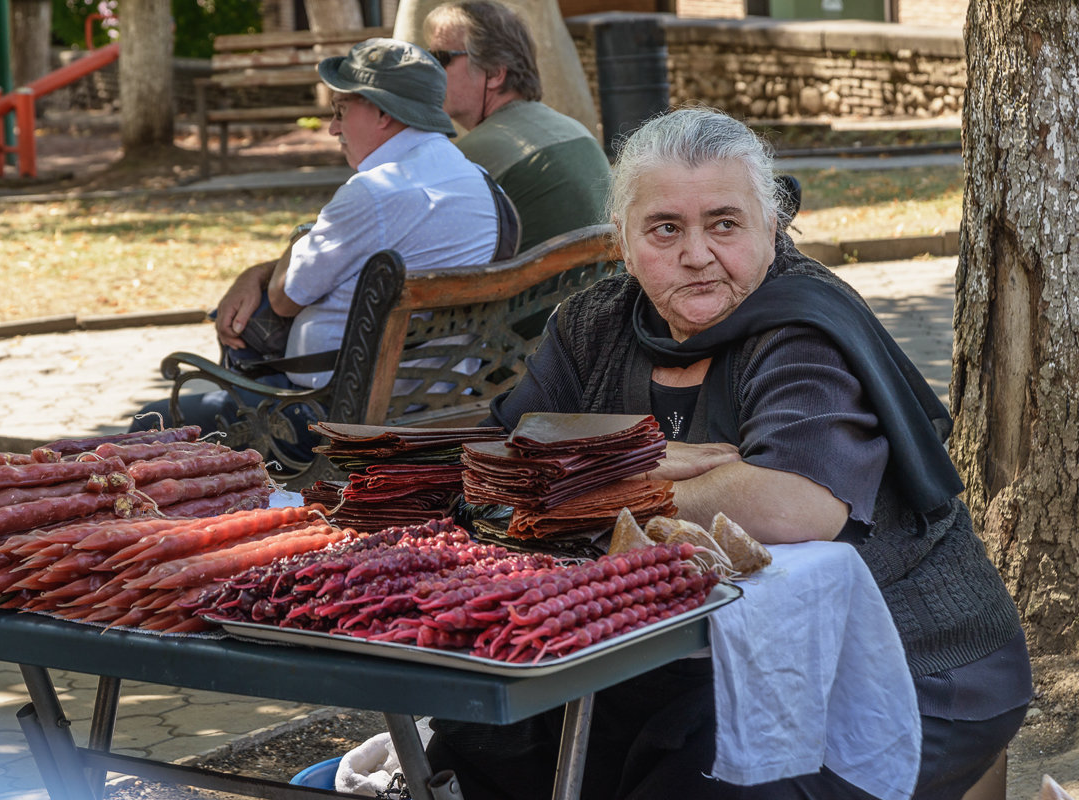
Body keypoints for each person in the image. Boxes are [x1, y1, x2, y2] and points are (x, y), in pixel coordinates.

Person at [425, 107, 1033, 799]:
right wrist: (627, 465)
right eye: (664, 229)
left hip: (898, 661)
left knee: (704, 782)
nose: (696, 253)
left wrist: (604, 474)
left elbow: (793, 504)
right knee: (482, 744)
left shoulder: (803, 324)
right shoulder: (594, 324)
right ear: (622, 242)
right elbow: (498, 464)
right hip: (679, 656)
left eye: (724, 223)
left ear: (770, 228)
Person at [132, 38, 510, 459]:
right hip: (443, 406)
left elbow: (284, 297)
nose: (333, 128)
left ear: (383, 112)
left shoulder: (375, 192)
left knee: (150, 421)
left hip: (336, 418)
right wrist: (258, 271)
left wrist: (299, 234)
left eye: (340, 110)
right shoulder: (477, 182)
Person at [423, 0, 611, 252]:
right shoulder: (576, 130)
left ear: (495, 72)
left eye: (440, 58)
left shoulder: (469, 157)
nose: (431, 70)